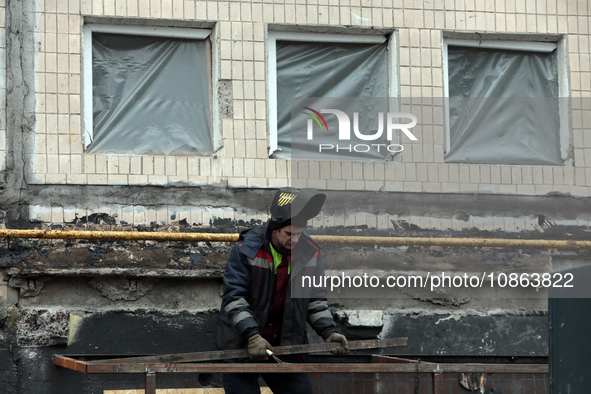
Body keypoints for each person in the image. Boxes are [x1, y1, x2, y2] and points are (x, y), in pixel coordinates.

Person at [214, 187, 349, 394]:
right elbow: (235, 298)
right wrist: (252, 336)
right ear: (275, 227)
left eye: (299, 234)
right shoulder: (248, 249)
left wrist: (329, 332)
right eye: (289, 234)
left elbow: (313, 299)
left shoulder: (309, 251)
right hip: (242, 343)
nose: (294, 240)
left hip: (286, 344)